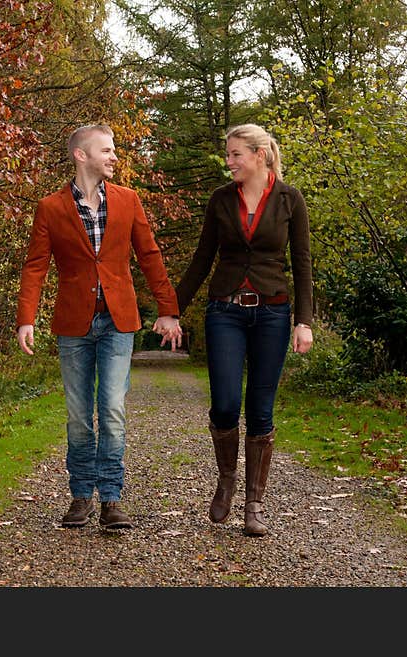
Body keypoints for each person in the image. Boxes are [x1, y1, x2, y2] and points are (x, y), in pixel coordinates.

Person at [16, 124, 182, 529]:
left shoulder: (128, 200)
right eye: (106, 150)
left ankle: (111, 498)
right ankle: (79, 497)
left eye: (114, 150)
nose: (114, 157)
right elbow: (36, 266)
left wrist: (168, 309)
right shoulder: (50, 208)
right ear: (81, 155)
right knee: (78, 415)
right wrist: (26, 318)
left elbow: (150, 255)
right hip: (73, 324)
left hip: (117, 321)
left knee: (110, 408)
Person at [174, 123, 313, 537]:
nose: (229, 162)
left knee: (261, 408)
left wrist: (303, 322)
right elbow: (202, 257)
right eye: (228, 154)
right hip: (225, 312)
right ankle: (226, 480)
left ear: (259, 155)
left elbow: (303, 263)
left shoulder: (290, 200)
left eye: (236, 154)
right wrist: (172, 309)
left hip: (272, 313)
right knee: (225, 403)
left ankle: (254, 503)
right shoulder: (220, 200)